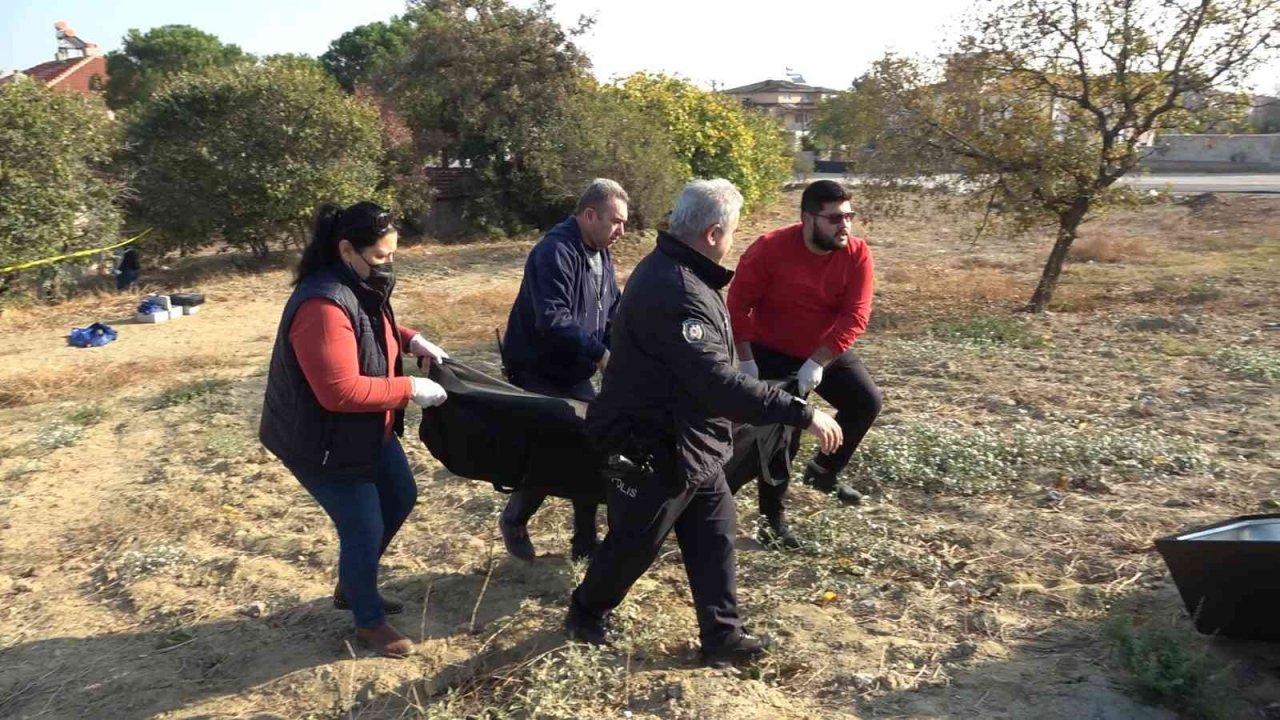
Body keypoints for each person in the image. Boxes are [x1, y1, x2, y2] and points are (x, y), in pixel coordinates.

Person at [565, 179, 844, 668]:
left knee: (715, 534)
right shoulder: (677, 290)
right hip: (652, 445)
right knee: (634, 545)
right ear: (714, 233)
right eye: (733, 230)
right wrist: (802, 412)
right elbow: (716, 383)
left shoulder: (688, 274)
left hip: (691, 440)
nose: (735, 238)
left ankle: (722, 636)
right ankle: (585, 611)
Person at [259, 201, 450, 658]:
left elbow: (369, 324)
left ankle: (354, 582)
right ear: (347, 249)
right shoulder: (321, 304)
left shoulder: (356, 283)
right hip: (320, 442)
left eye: (392, 254)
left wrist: (409, 338)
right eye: (381, 256)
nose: (389, 263)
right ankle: (367, 621)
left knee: (400, 496)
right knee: (363, 525)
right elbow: (338, 392)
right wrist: (409, 388)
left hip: (363, 431)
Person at [727, 180, 882, 548]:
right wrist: (747, 361)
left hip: (822, 350)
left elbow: (855, 315)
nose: (844, 225)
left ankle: (823, 472)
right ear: (807, 219)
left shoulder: (857, 254)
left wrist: (819, 360)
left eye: (849, 216)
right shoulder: (769, 249)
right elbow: (737, 304)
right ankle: (772, 522)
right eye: (834, 218)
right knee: (781, 437)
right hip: (771, 351)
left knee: (866, 402)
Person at [497, 179, 627, 562]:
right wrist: (601, 355)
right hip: (536, 369)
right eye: (616, 221)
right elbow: (552, 320)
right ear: (590, 215)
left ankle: (584, 543)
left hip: (573, 369)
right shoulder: (554, 252)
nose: (621, 230)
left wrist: (622, 348)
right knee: (552, 452)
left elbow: (611, 310)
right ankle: (515, 518)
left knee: (595, 445)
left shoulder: (601, 253)